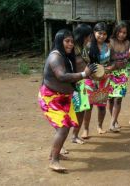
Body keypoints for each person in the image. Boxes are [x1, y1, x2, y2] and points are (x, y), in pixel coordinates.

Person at [38, 29, 97, 171]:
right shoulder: (55, 57)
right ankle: (54, 160)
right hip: (51, 98)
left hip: (63, 98)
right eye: (67, 41)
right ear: (59, 41)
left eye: (71, 41)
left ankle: (54, 154)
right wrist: (84, 74)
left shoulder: (67, 56)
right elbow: (62, 76)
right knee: (63, 128)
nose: (70, 44)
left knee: (64, 127)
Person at [82, 22, 113, 138]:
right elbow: (84, 63)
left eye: (105, 34)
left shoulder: (108, 46)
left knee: (101, 105)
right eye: (99, 33)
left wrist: (110, 68)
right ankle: (85, 130)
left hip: (104, 79)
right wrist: (91, 76)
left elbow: (112, 62)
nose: (102, 36)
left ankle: (100, 126)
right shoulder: (88, 46)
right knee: (88, 106)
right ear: (94, 33)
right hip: (90, 79)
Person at [71, 23, 92, 144]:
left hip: (81, 83)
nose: (90, 39)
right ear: (83, 36)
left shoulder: (82, 47)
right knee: (68, 113)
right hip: (71, 84)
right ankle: (61, 143)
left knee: (81, 110)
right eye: (89, 36)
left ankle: (74, 135)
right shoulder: (72, 48)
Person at [108, 22, 130, 132]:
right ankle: (114, 120)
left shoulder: (127, 43)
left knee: (118, 99)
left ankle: (112, 123)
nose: (122, 34)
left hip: (122, 74)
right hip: (111, 73)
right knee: (111, 99)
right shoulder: (110, 42)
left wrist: (124, 62)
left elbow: (127, 59)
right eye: (120, 32)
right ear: (116, 32)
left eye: (124, 33)